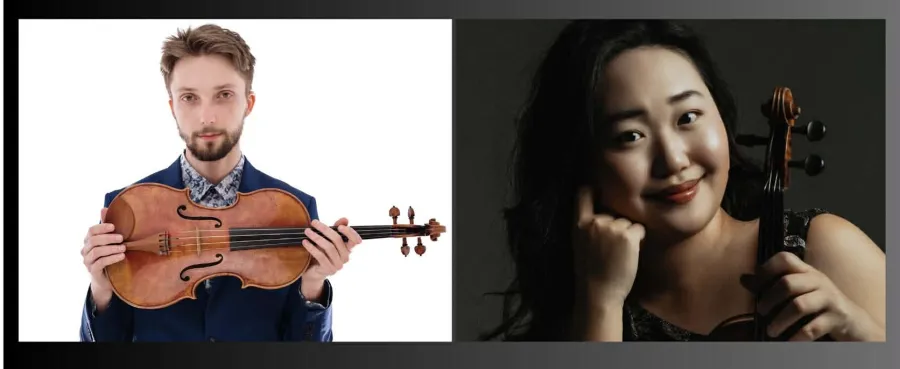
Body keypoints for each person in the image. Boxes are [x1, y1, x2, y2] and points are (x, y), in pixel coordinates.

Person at [483, 20, 885, 342]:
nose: (674, 160)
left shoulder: (821, 248)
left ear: (722, 120)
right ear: (583, 164)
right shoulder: (579, 314)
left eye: (687, 117)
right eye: (630, 136)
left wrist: (859, 332)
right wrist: (601, 301)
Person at [79, 24, 363, 342]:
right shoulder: (129, 204)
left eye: (224, 95)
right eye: (189, 98)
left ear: (248, 103)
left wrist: (313, 285)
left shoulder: (293, 208)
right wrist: (101, 289)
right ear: (173, 107)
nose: (207, 117)